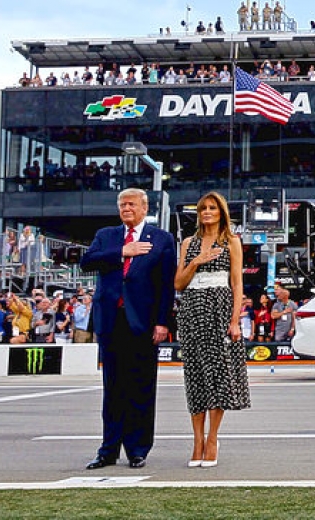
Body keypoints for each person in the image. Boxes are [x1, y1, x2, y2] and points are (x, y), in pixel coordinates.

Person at [79, 188, 177, 470]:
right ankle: (108, 450)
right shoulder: (106, 236)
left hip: (144, 323)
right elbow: (87, 261)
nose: (126, 209)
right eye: (122, 205)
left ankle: (137, 449)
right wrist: (123, 252)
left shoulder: (161, 239)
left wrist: (162, 322)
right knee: (113, 389)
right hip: (111, 321)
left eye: (132, 204)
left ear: (145, 208)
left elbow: (165, 285)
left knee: (142, 387)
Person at [174, 192, 250, 469]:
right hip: (193, 310)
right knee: (195, 376)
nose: (207, 212)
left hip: (220, 309)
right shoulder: (188, 243)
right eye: (203, 208)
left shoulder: (231, 241)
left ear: (221, 213)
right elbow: (178, 284)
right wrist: (198, 260)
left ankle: (212, 439)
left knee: (218, 376)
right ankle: (196, 440)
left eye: (212, 208)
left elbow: (237, 283)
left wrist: (234, 320)